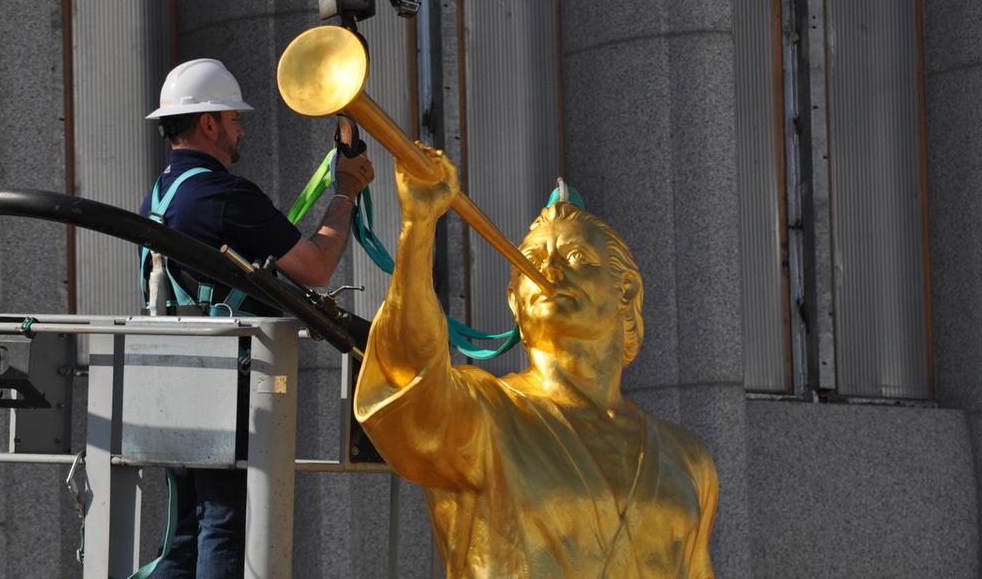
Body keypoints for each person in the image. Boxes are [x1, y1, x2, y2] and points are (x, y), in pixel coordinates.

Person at [354, 146, 718, 578]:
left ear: (626, 291)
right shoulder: (482, 412)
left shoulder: (686, 456)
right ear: (515, 301)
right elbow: (408, 370)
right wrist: (418, 227)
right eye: (531, 262)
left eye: (577, 258)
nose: (550, 269)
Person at [141, 58, 373, 579]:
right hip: (222, 383)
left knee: (182, 533)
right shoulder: (223, 194)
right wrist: (346, 193)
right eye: (234, 118)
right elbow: (314, 265)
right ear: (208, 123)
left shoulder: (159, 196)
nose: (240, 128)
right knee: (224, 524)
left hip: (169, 379)